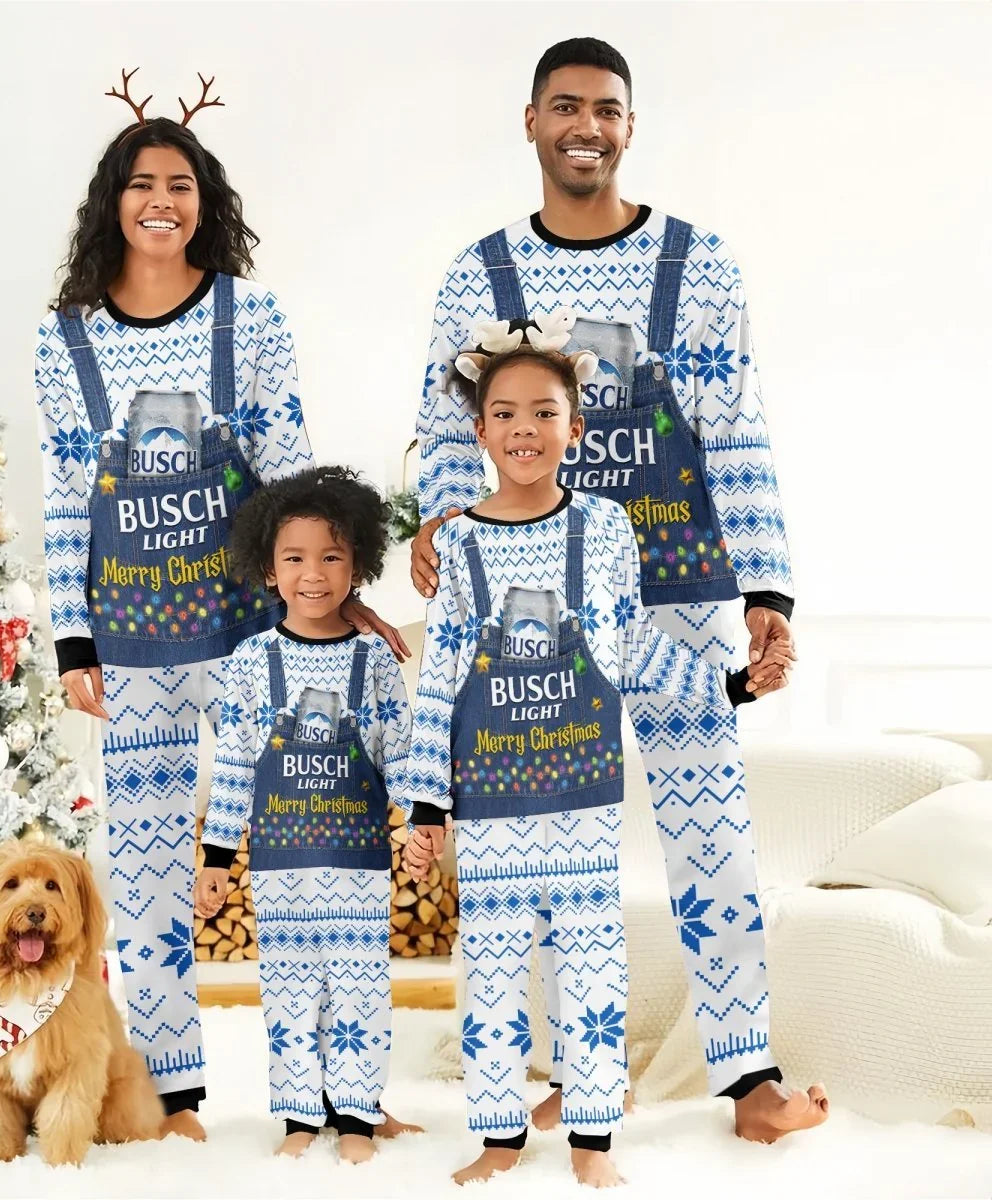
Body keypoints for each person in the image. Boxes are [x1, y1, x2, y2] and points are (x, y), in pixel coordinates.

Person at [410, 37, 828, 1144]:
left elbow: (734, 433)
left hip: (680, 594)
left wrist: (766, 586)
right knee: (543, 841)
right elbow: (452, 435)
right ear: (533, 122)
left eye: (604, 108)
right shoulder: (479, 277)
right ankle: (575, 1072)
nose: (584, 125)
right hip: (529, 612)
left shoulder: (701, 266)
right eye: (564, 107)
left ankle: (749, 1079)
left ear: (628, 126)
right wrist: (441, 534)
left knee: (714, 839)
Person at [34, 90, 406, 1137]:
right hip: (137, 646)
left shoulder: (252, 319)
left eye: (180, 185)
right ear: (114, 203)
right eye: (142, 183)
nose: (161, 201)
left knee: (308, 852)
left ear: (205, 205)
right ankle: (176, 1091)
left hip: (257, 639)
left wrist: (345, 595)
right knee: (148, 870)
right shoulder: (67, 342)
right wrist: (74, 639)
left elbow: (290, 477)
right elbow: (69, 503)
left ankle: (337, 1092)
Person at [403, 344, 737, 1186]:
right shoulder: (461, 544)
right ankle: (499, 1136)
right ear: (480, 431)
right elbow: (440, 676)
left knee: (593, 966)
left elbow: (626, 647)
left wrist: (727, 684)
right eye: (506, 415)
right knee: (492, 974)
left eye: (544, 413)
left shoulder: (603, 526)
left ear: (574, 428)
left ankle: (593, 1141)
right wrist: (424, 805)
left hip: (584, 792)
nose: (525, 430)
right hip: (489, 798)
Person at [195, 467, 418, 1163]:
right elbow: (233, 767)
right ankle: (298, 1114)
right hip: (280, 866)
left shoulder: (374, 659)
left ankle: (355, 1115)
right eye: (294, 558)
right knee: (287, 992)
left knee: (360, 989)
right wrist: (217, 860)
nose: (313, 574)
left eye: (331, 557)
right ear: (268, 568)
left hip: (355, 864)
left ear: (358, 565)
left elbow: (401, 754)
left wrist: (419, 822)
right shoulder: (249, 663)